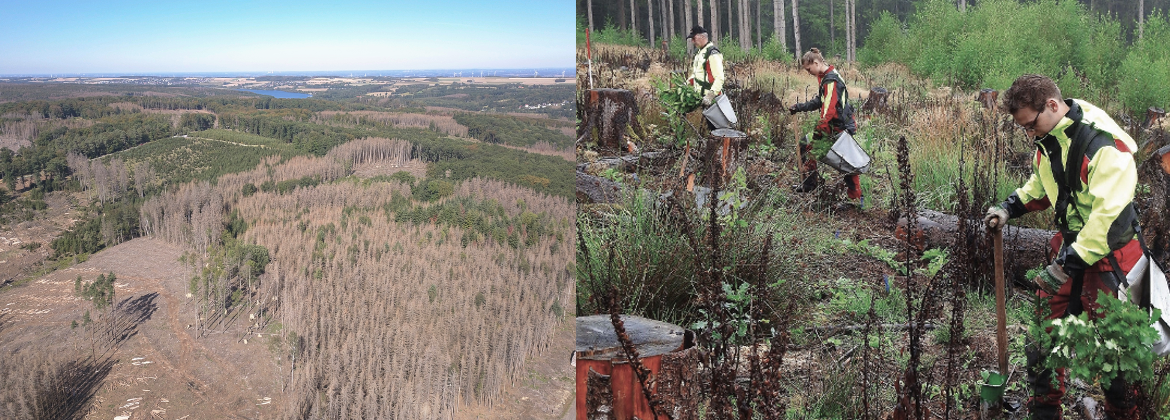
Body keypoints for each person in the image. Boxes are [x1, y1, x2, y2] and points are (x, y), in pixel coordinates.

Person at [984, 74, 1142, 420]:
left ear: (1052, 106)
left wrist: (1064, 265)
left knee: (1113, 350)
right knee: (1042, 337)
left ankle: (1123, 413)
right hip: (1072, 253)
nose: (1029, 135)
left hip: (1112, 259)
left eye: (1031, 125)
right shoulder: (1052, 136)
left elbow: (1107, 222)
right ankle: (1044, 412)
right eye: (1024, 128)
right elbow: (1043, 185)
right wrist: (1010, 207)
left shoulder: (1105, 147)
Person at [787, 48, 860, 204]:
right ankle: (809, 184)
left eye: (808, 69)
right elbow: (819, 101)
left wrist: (819, 131)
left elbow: (828, 111)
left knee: (846, 163)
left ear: (816, 63)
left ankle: (856, 198)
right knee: (805, 145)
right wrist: (799, 107)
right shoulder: (825, 76)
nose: (808, 72)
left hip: (841, 127)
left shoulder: (831, 80)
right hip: (832, 126)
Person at [685, 25, 724, 107]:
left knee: (714, 120)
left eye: (694, 38)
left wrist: (710, 96)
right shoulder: (700, 53)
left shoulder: (712, 53)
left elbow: (719, 77)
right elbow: (697, 74)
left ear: (702, 37)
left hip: (713, 101)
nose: (692, 41)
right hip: (702, 98)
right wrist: (686, 84)